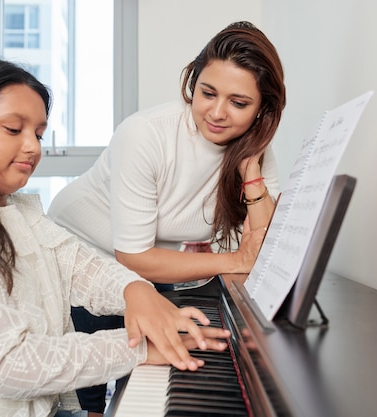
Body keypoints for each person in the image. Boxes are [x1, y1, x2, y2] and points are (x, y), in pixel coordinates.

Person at [0, 55, 230, 417]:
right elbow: (10, 365)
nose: (33, 147)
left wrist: (134, 290)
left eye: (39, 133)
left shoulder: (18, 212)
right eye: (13, 130)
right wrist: (138, 347)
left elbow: (80, 268)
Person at [47, 21, 287, 412]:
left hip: (149, 267)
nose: (217, 112)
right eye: (207, 93)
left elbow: (263, 251)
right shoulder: (145, 134)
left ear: (264, 109)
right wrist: (235, 259)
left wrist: (251, 172)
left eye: (239, 103)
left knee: (148, 367)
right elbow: (134, 255)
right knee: (90, 400)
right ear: (193, 83)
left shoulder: (254, 151)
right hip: (83, 257)